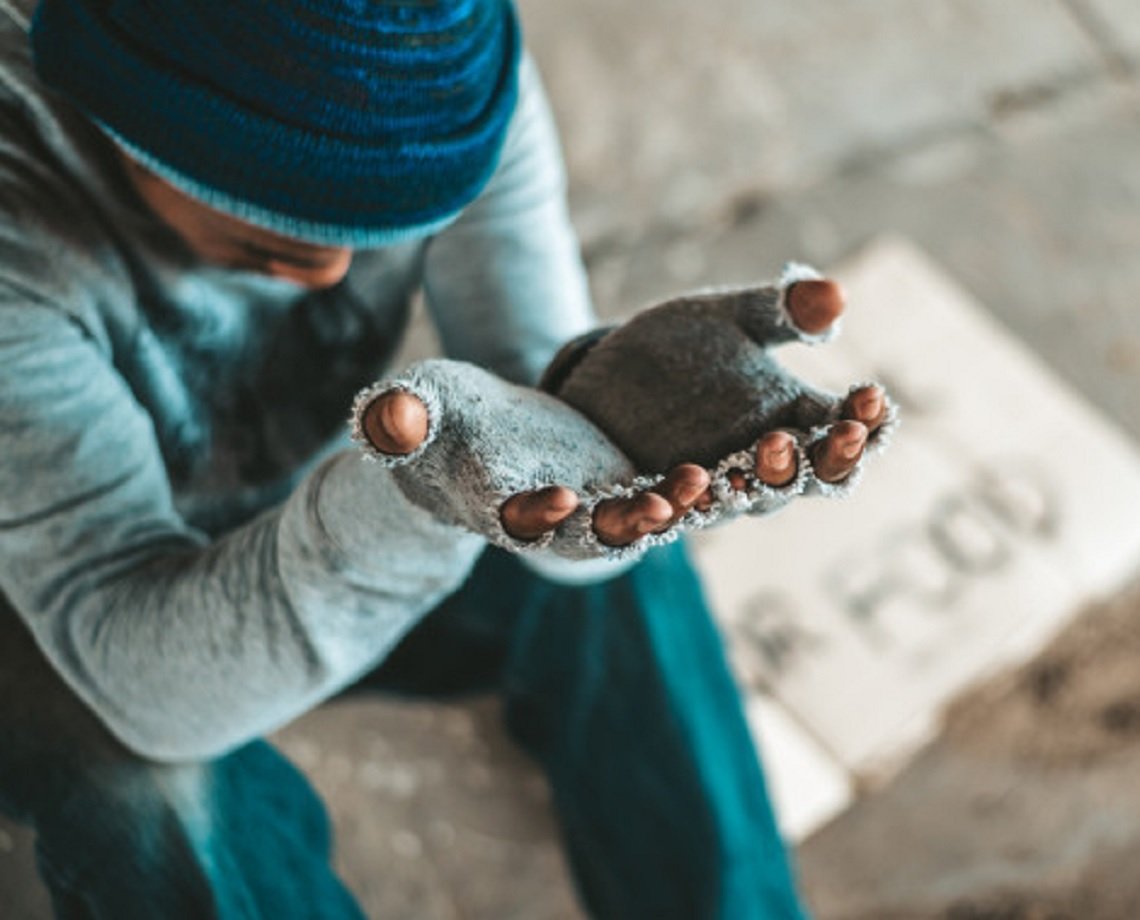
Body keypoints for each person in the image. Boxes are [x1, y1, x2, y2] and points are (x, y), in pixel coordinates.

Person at [0, 0, 878, 916]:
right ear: (121, 111)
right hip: (36, 582)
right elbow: (150, 685)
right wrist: (424, 496)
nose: (335, 271)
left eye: (380, 227)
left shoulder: (449, 76)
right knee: (153, 796)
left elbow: (543, 416)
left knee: (631, 497)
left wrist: (603, 415)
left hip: (266, 488)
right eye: (275, 235)